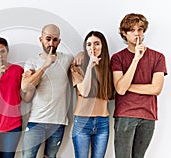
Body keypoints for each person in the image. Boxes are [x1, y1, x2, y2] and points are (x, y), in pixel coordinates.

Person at [111, 13, 167, 158]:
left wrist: (127, 85)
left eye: (140, 29)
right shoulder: (117, 58)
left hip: (148, 116)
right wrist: (136, 59)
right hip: (125, 116)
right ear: (124, 33)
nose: (137, 34)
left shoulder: (158, 57)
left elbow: (156, 89)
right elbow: (120, 89)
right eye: (132, 30)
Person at [21, 24, 73, 158]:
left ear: (59, 41)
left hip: (58, 122)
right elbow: (25, 87)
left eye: (55, 40)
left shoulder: (66, 59)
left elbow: (82, 56)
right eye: (48, 39)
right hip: (36, 121)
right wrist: (45, 65)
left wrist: (81, 54)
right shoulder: (32, 62)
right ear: (41, 39)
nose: (51, 43)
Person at [70, 31, 114, 158]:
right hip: (82, 122)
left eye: (96, 44)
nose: (93, 48)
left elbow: (110, 93)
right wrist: (90, 66)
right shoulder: (77, 67)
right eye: (89, 45)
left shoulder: (108, 68)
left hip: (102, 122)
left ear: (103, 46)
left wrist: (97, 66)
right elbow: (84, 91)